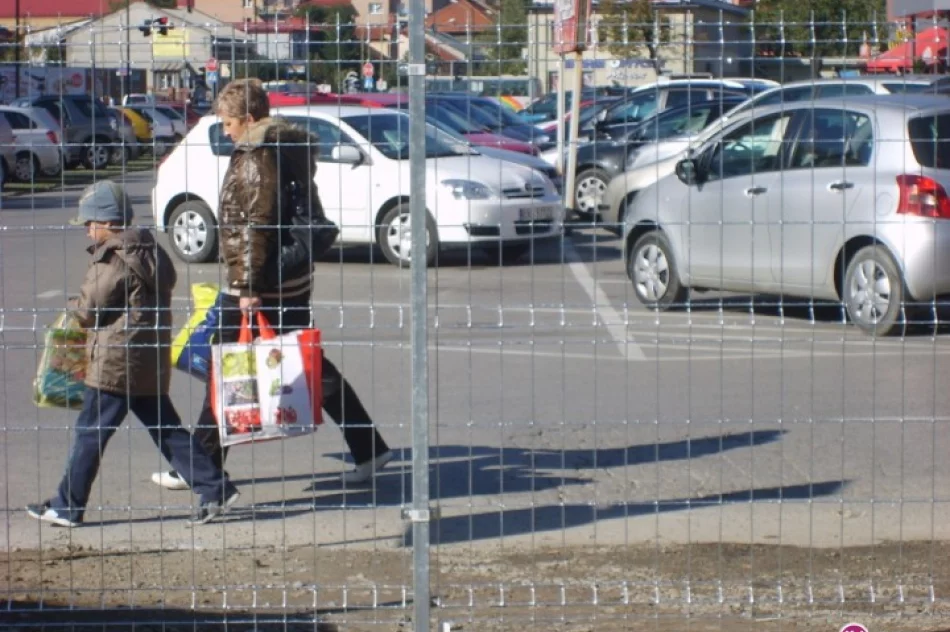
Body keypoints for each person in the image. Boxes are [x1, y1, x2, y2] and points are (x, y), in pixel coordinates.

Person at [151, 78, 392, 492]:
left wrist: (246, 286)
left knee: (227, 370)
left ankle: (199, 467)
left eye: (228, 123)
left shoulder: (257, 155)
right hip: (288, 278)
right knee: (306, 366)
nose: (225, 131)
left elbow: (255, 225)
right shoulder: (286, 146)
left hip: (261, 283)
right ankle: (369, 448)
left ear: (248, 119)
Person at [27, 181, 240, 528]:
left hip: (116, 363)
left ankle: (67, 507)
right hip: (148, 360)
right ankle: (216, 488)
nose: (87, 231)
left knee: (90, 434)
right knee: (166, 430)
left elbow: (89, 310)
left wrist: (73, 306)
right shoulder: (153, 251)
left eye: (90, 223)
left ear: (108, 222)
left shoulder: (113, 258)